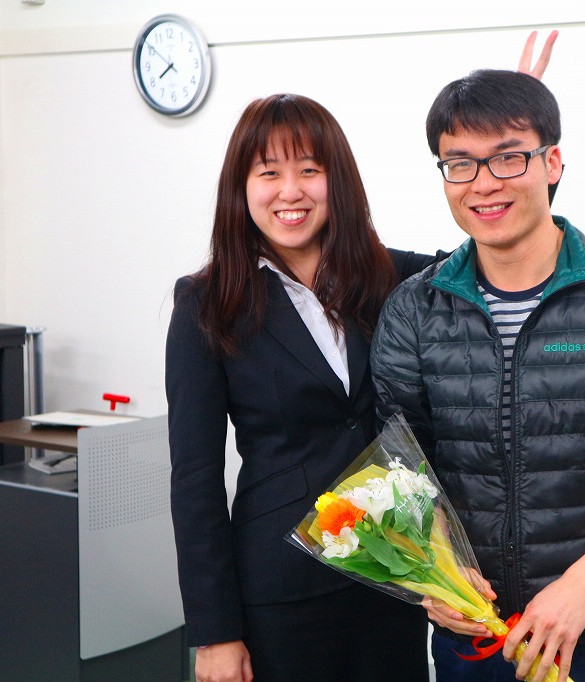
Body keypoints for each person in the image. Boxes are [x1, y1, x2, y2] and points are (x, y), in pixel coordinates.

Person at [165, 34, 558, 682]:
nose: (290, 191)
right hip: (280, 590)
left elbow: (502, 248)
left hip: (397, 580)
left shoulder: (391, 277)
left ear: (336, 181)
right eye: (268, 172)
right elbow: (195, 481)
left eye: (308, 170)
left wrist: (510, 143)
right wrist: (214, 633)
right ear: (242, 186)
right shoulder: (208, 302)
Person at [370, 68, 585, 682]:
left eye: (509, 158)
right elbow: (405, 464)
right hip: (468, 634)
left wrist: (579, 586)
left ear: (552, 162)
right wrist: (435, 573)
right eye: (460, 164)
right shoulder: (414, 310)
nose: (484, 183)